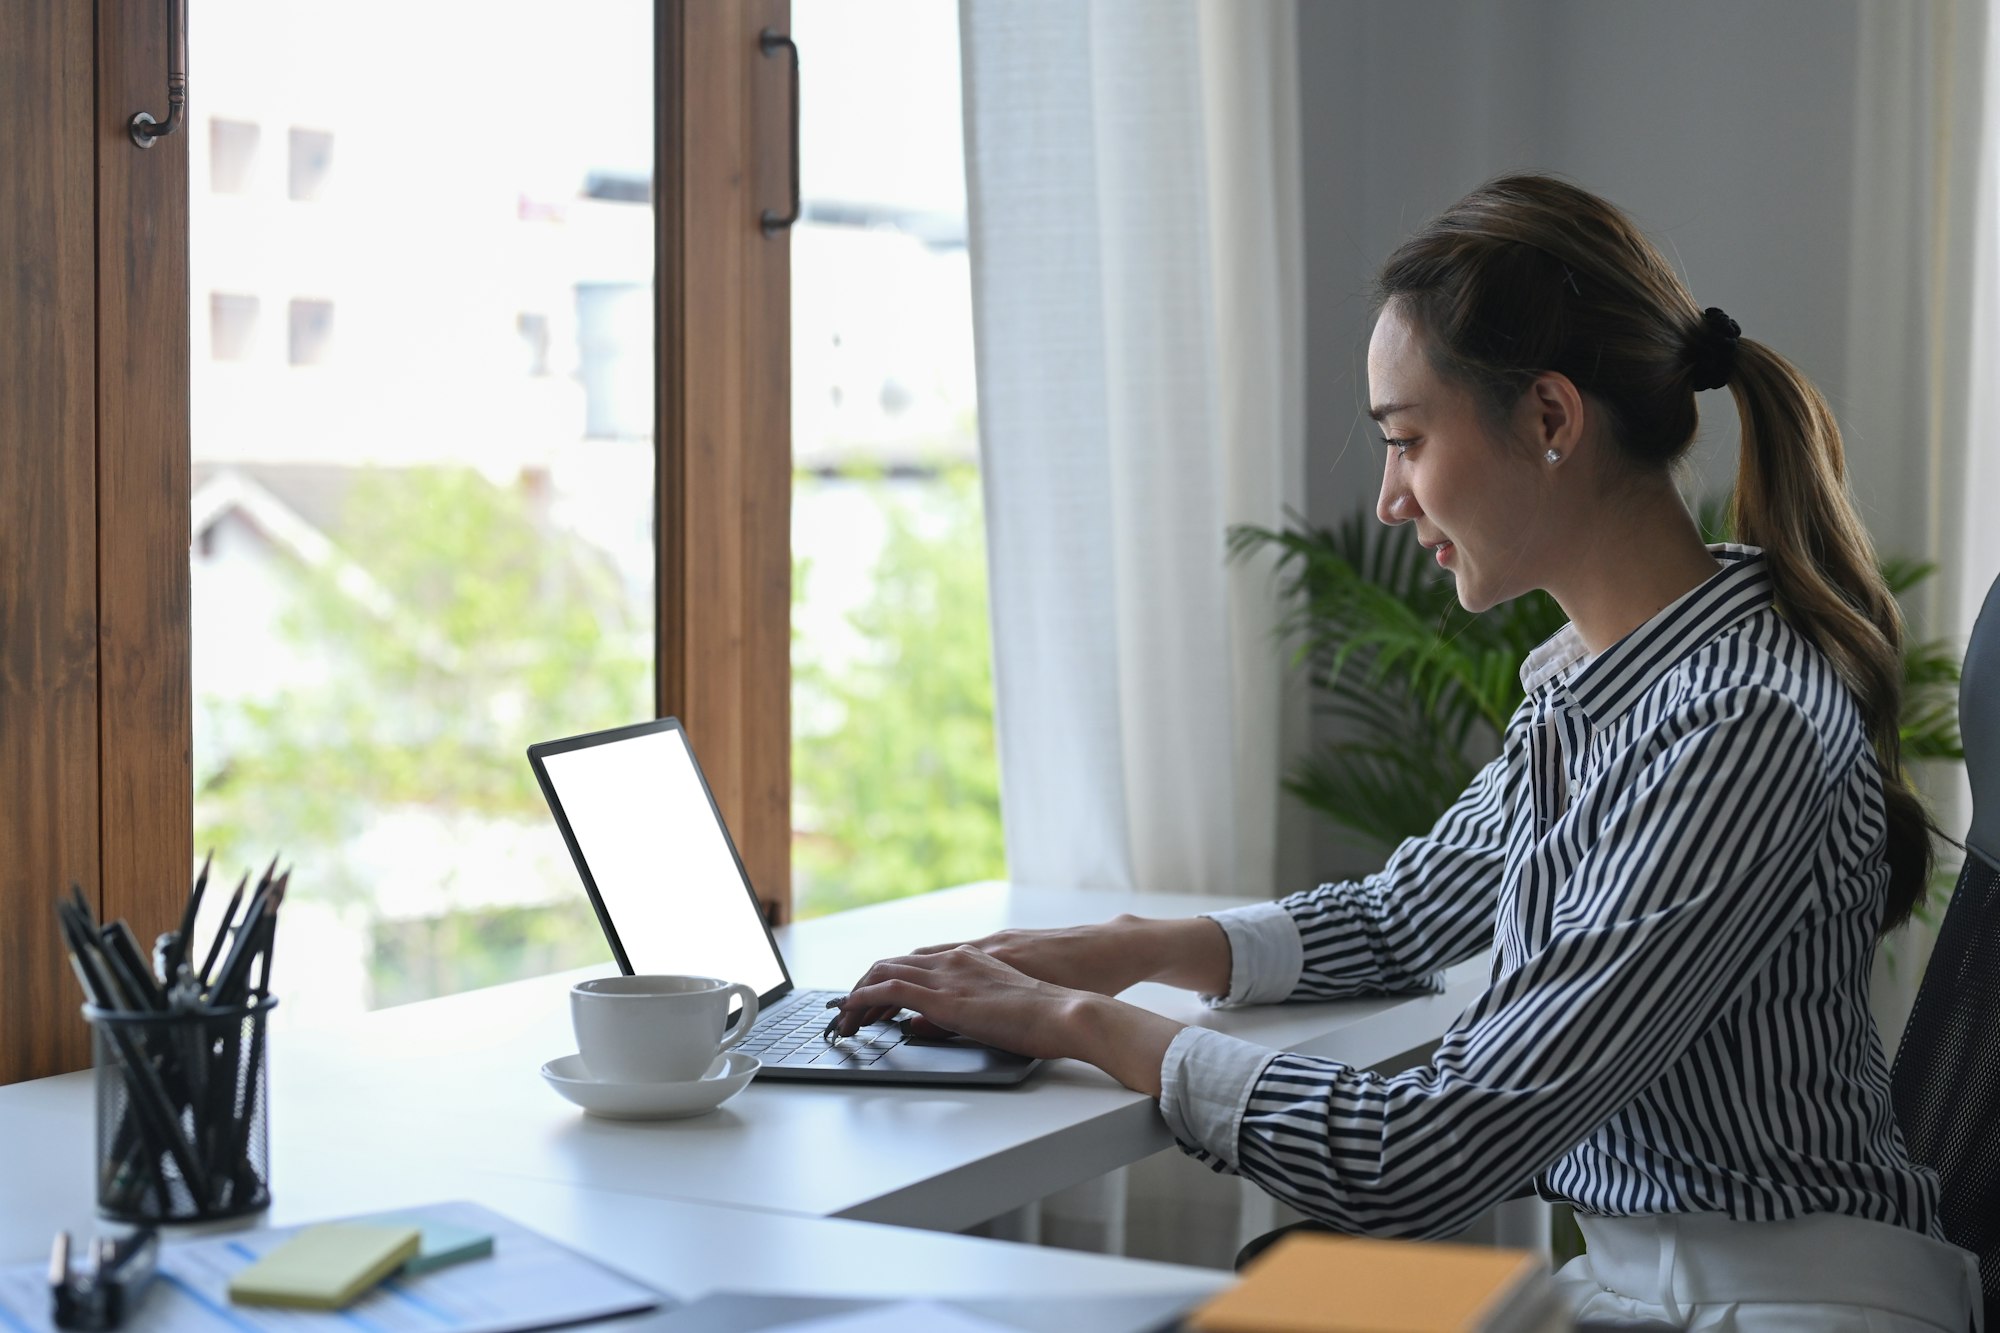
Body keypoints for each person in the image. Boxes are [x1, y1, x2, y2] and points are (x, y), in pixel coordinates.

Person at [825, 175, 1983, 1331]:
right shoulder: (1605, 681)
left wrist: (1071, 1024)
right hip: (1644, 1288)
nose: (1387, 498)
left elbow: (1426, 1150)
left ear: (1547, 420)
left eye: (1406, 439)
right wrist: (1112, 951)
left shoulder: (1737, 725)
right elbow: (1396, 917)